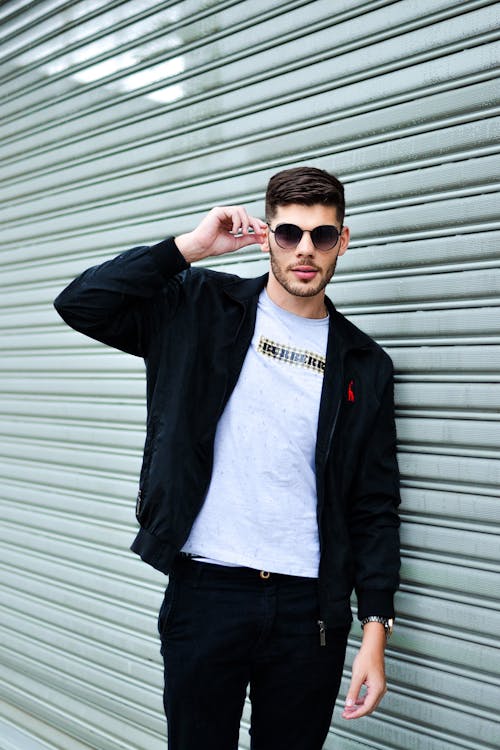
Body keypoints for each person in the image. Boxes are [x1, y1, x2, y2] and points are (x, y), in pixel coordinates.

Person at [54, 166, 400, 750]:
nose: (305, 251)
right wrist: (186, 249)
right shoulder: (199, 306)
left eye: (322, 236)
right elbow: (81, 304)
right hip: (207, 590)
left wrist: (375, 632)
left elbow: (374, 504)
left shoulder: (365, 364)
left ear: (343, 240)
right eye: (289, 234)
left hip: (308, 610)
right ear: (267, 235)